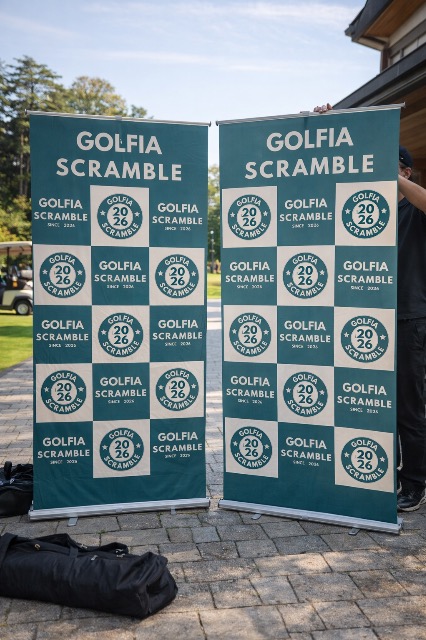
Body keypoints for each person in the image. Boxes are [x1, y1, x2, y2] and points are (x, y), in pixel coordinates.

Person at [314, 104, 426, 511]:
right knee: (370, 407)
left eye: (388, 164)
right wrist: (332, 127)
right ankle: (379, 476)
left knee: (408, 408)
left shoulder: (414, 209)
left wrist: (390, 176)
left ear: (405, 172)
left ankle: (414, 484)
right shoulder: (358, 212)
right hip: (360, 321)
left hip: (407, 320)